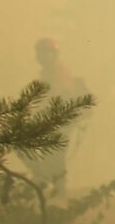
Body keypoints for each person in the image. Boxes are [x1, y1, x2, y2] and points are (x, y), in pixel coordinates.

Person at [27, 37, 89, 195]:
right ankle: (50, 185)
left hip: (59, 122)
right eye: (39, 53)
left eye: (43, 53)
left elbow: (56, 98)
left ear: (53, 54)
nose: (40, 56)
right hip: (54, 121)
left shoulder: (58, 74)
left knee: (55, 156)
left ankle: (56, 190)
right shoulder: (50, 72)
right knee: (51, 155)